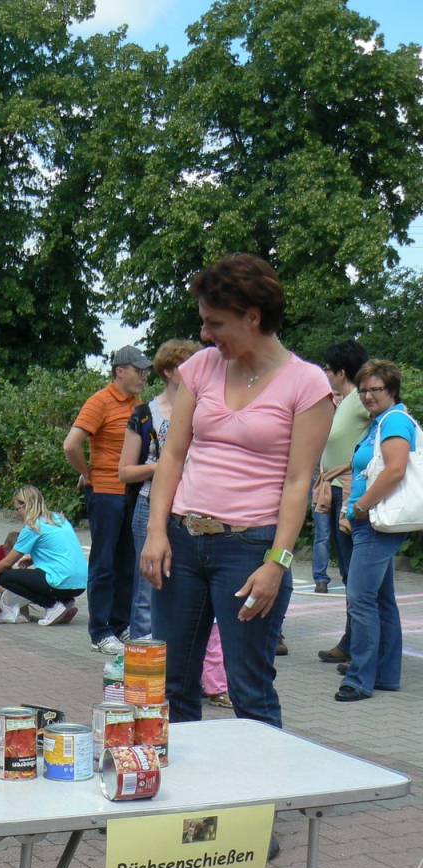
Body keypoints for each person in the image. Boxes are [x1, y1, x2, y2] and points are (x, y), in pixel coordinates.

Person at [140, 253, 333, 727]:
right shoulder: (202, 368)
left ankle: (262, 800)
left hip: (250, 550)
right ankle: (188, 800)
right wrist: (156, 531)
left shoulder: (307, 383)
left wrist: (277, 563)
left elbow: (296, 482)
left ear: (253, 316)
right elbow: (172, 455)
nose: (205, 334)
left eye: (215, 323)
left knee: (248, 685)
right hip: (182, 542)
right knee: (173, 684)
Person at [335, 360, 415, 702]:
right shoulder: (381, 422)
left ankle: (359, 678)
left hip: (375, 522)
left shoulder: (395, 421)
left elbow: (395, 469)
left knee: (361, 599)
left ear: (391, 390)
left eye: (376, 389)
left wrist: (359, 508)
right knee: (382, 601)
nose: (368, 396)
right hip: (372, 522)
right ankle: (385, 675)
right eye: (364, 390)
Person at [64, 345, 150, 654]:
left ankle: (120, 623)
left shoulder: (139, 404)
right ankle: (99, 630)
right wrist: (88, 473)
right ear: (119, 371)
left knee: (128, 561)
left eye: (145, 371)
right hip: (106, 493)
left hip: (132, 492)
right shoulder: (99, 402)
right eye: (139, 371)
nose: (144, 376)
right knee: (104, 563)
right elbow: (71, 445)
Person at [119, 339, 201, 639]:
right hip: (149, 504)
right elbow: (125, 471)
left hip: (192, 508)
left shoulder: (205, 410)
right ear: (169, 371)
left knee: (188, 587)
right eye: (187, 367)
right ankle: (144, 670)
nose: (197, 372)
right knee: (147, 588)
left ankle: (178, 665)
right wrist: (167, 465)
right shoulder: (144, 415)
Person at [315, 340, 370, 664]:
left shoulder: (361, 401)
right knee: (348, 570)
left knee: (354, 572)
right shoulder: (345, 401)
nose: (324, 373)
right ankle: (352, 640)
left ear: (341, 372)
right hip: (334, 490)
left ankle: (359, 644)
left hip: (351, 489)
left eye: (327, 369)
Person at [0, 486, 87, 625]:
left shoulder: (32, 526)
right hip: (80, 583)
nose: (17, 514)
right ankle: (64, 602)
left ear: (25, 506)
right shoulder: (58, 518)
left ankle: (51, 605)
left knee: (5, 577)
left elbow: (7, 563)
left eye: (17, 509)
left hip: (60, 580)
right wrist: (33, 559)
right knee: (35, 575)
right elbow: (61, 549)